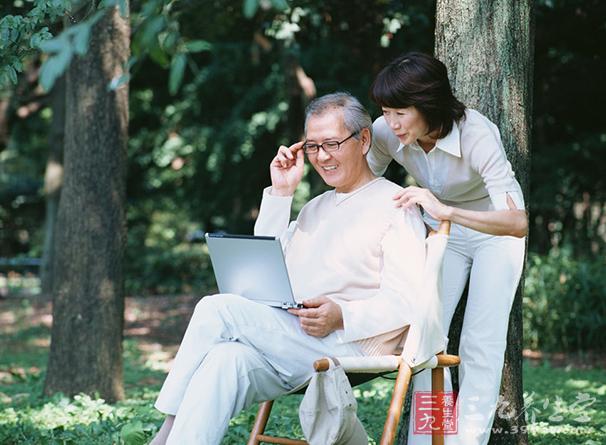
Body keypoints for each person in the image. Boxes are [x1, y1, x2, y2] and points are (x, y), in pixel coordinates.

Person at [149, 92, 440, 444]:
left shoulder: (396, 204)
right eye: (313, 146)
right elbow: (265, 269)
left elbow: (406, 301)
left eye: (332, 143)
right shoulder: (313, 208)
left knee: (214, 307)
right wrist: (281, 192)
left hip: (347, 345)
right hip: (291, 338)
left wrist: (342, 315)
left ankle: (163, 433)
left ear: (363, 140)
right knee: (224, 360)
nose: (322, 156)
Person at [367, 52, 528, 445]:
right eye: (386, 112)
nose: (391, 123)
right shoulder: (387, 133)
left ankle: (466, 440)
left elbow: (517, 223)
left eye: (400, 112)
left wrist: (444, 210)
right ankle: (430, 439)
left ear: (428, 102)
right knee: (425, 338)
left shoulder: (476, 133)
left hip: (495, 232)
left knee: (480, 342)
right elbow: (363, 182)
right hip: (442, 232)